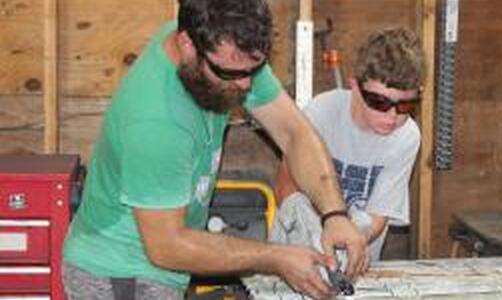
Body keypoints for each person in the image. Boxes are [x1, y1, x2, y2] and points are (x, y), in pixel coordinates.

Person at [61, 1, 367, 299]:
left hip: (159, 265)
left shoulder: (222, 49)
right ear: (187, 45)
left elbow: (293, 132)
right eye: (232, 74)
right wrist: (276, 257)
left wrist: (335, 214)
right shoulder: (155, 119)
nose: (247, 84)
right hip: (122, 273)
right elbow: (167, 246)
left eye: (255, 69)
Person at [274, 27, 425, 262]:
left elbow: (376, 219)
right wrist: (309, 230)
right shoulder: (321, 112)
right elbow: (287, 180)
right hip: (297, 254)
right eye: (379, 102)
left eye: (406, 106)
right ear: (355, 87)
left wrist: (346, 240)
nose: (392, 116)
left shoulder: (406, 136)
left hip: (356, 262)